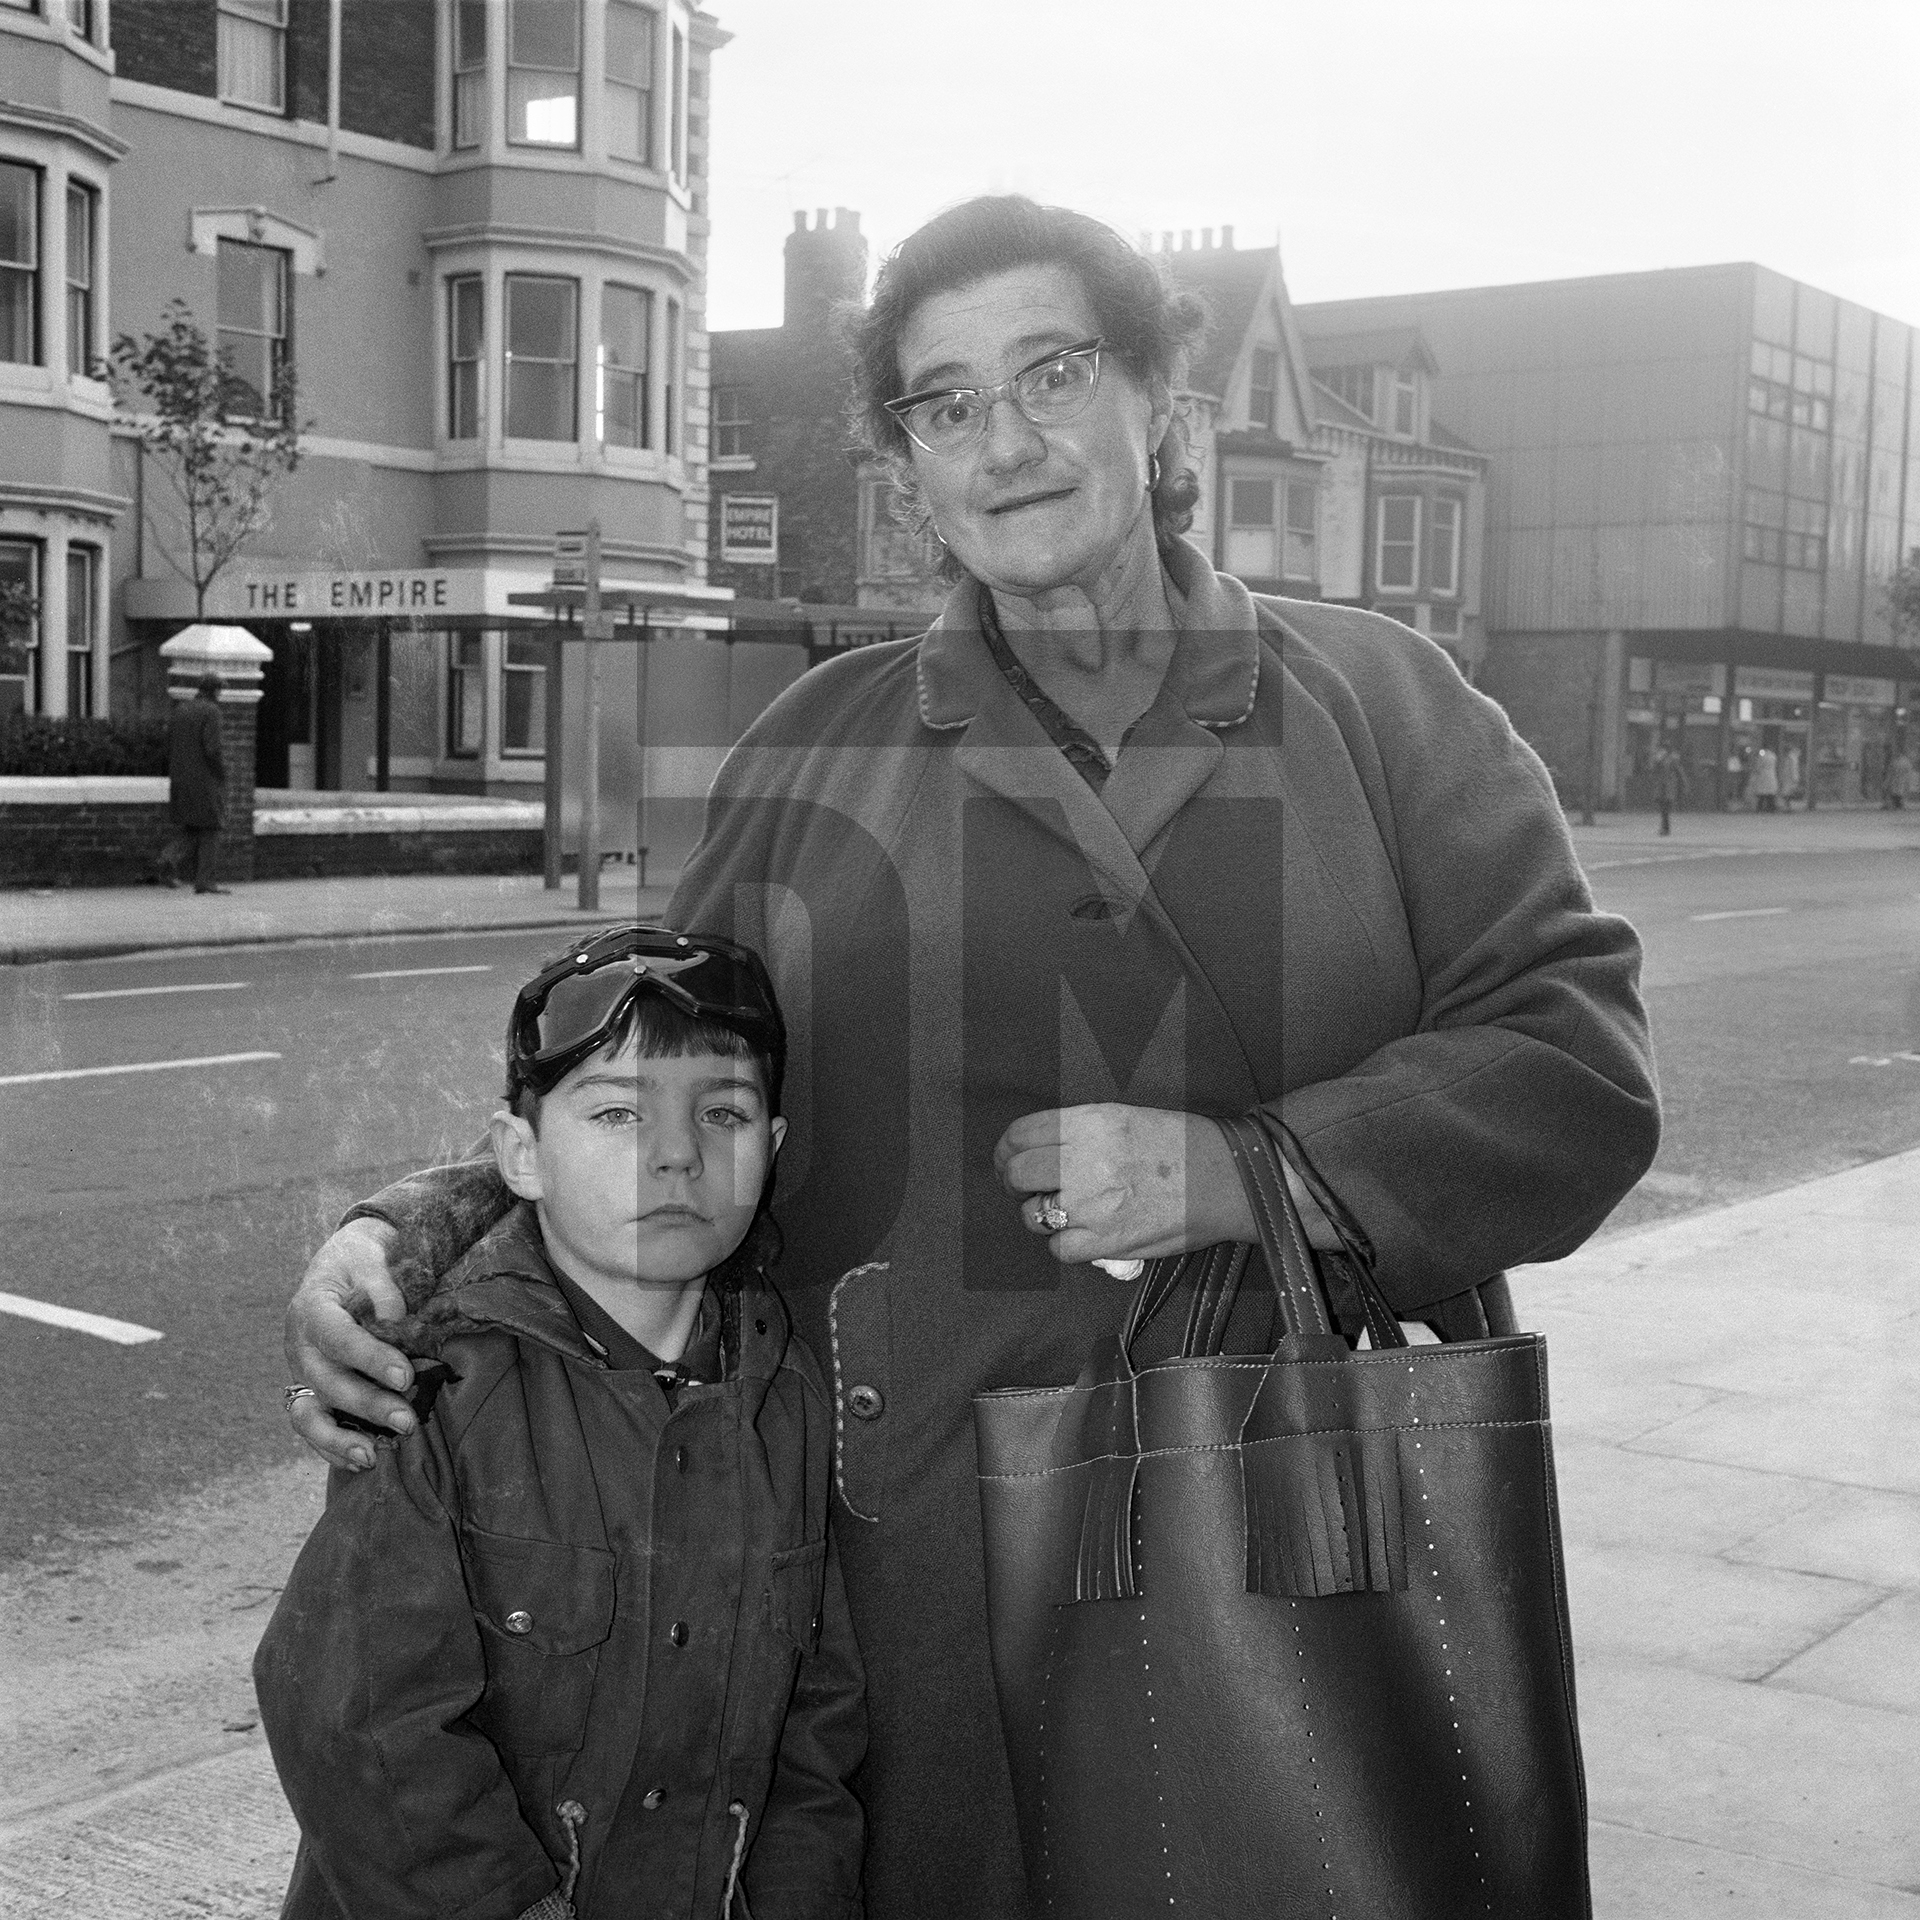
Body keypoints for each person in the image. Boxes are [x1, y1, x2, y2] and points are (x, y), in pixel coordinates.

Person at [283, 196, 1660, 1918]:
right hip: (898, 1578)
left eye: (1052, 372)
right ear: (909, 468)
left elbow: (1576, 1067)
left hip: (1289, 1537)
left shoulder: (1385, 705)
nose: (1003, 442)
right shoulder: (814, 748)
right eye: (944, 405)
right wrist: (415, 1235)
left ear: (1161, 401)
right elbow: (660, 1085)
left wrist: (1245, 1173)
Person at [254, 926, 866, 1920]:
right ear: (519, 1157)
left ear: (775, 1149)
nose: (677, 1154)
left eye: (725, 1112)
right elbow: (358, 1724)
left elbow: (814, 1729)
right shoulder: (444, 1386)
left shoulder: (784, 1399)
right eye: (618, 1114)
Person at [155, 672, 229, 892]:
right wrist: (221, 773)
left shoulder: (181, 710)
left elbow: (169, 744)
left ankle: (167, 859)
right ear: (214, 691)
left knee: (192, 827)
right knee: (212, 826)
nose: (220, 694)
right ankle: (205, 881)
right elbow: (212, 749)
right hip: (204, 778)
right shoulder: (212, 711)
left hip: (180, 777)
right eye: (219, 690)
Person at [1654, 743, 1689, 835]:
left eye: (1662, 750)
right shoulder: (1660, 760)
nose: (1661, 751)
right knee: (1663, 809)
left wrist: (1685, 785)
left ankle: (1665, 829)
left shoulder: (1673, 760)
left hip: (1668, 788)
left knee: (1665, 809)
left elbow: (1680, 773)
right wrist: (1657, 760)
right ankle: (1665, 828)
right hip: (1661, 788)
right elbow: (1655, 771)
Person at [1751, 742, 1780, 813]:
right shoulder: (1773, 756)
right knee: (1770, 794)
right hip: (1771, 775)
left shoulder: (1762, 756)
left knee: (1762, 794)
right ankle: (1771, 808)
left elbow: (1758, 766)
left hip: (1763, 775)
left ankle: (1760, 808)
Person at [1885, 744, 1914, 810]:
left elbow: (1908, 772)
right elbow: (1890, 771)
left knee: (1899, 792)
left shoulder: (1904, 761)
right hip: (1896, 780)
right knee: (1896, 792)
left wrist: (1908, 780)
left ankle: (1900, 805)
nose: (1896, 753)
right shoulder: (1896, 761)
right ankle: (1897, 805)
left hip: (1901, 780)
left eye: (1897, 752)